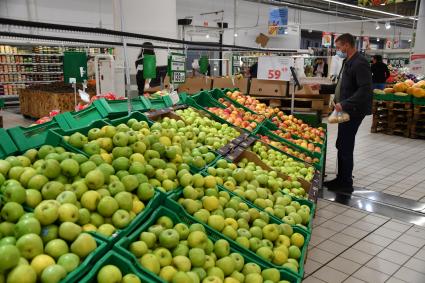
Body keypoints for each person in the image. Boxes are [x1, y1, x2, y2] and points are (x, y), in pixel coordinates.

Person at [313, 33, 373, 193]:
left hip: (353, 111)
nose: (338, 50)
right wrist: (321, 88)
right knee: (342, 143)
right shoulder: (348, 61)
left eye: (339, 47)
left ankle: (345, 183)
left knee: (345, 144)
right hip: (346, 108)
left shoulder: (360, 63)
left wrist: (345, 103)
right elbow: (341, 86)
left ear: (347, 45)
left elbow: (365, 90)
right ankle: (341, 178)